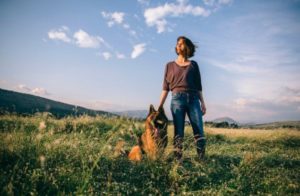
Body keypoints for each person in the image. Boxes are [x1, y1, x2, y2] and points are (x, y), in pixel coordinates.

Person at [158, 36, 206, 161]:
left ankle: (201, 159)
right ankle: (178, 160)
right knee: (178, 132)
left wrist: (203, 103)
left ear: (188, 47)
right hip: (176, 100)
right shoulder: (169, 65)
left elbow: (198, 86)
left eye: (182, 43)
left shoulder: (194, 65)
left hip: (194, 100)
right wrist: (160, 106)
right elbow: (165, 87)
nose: (178, 45)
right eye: (177, 43)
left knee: (199, 130)